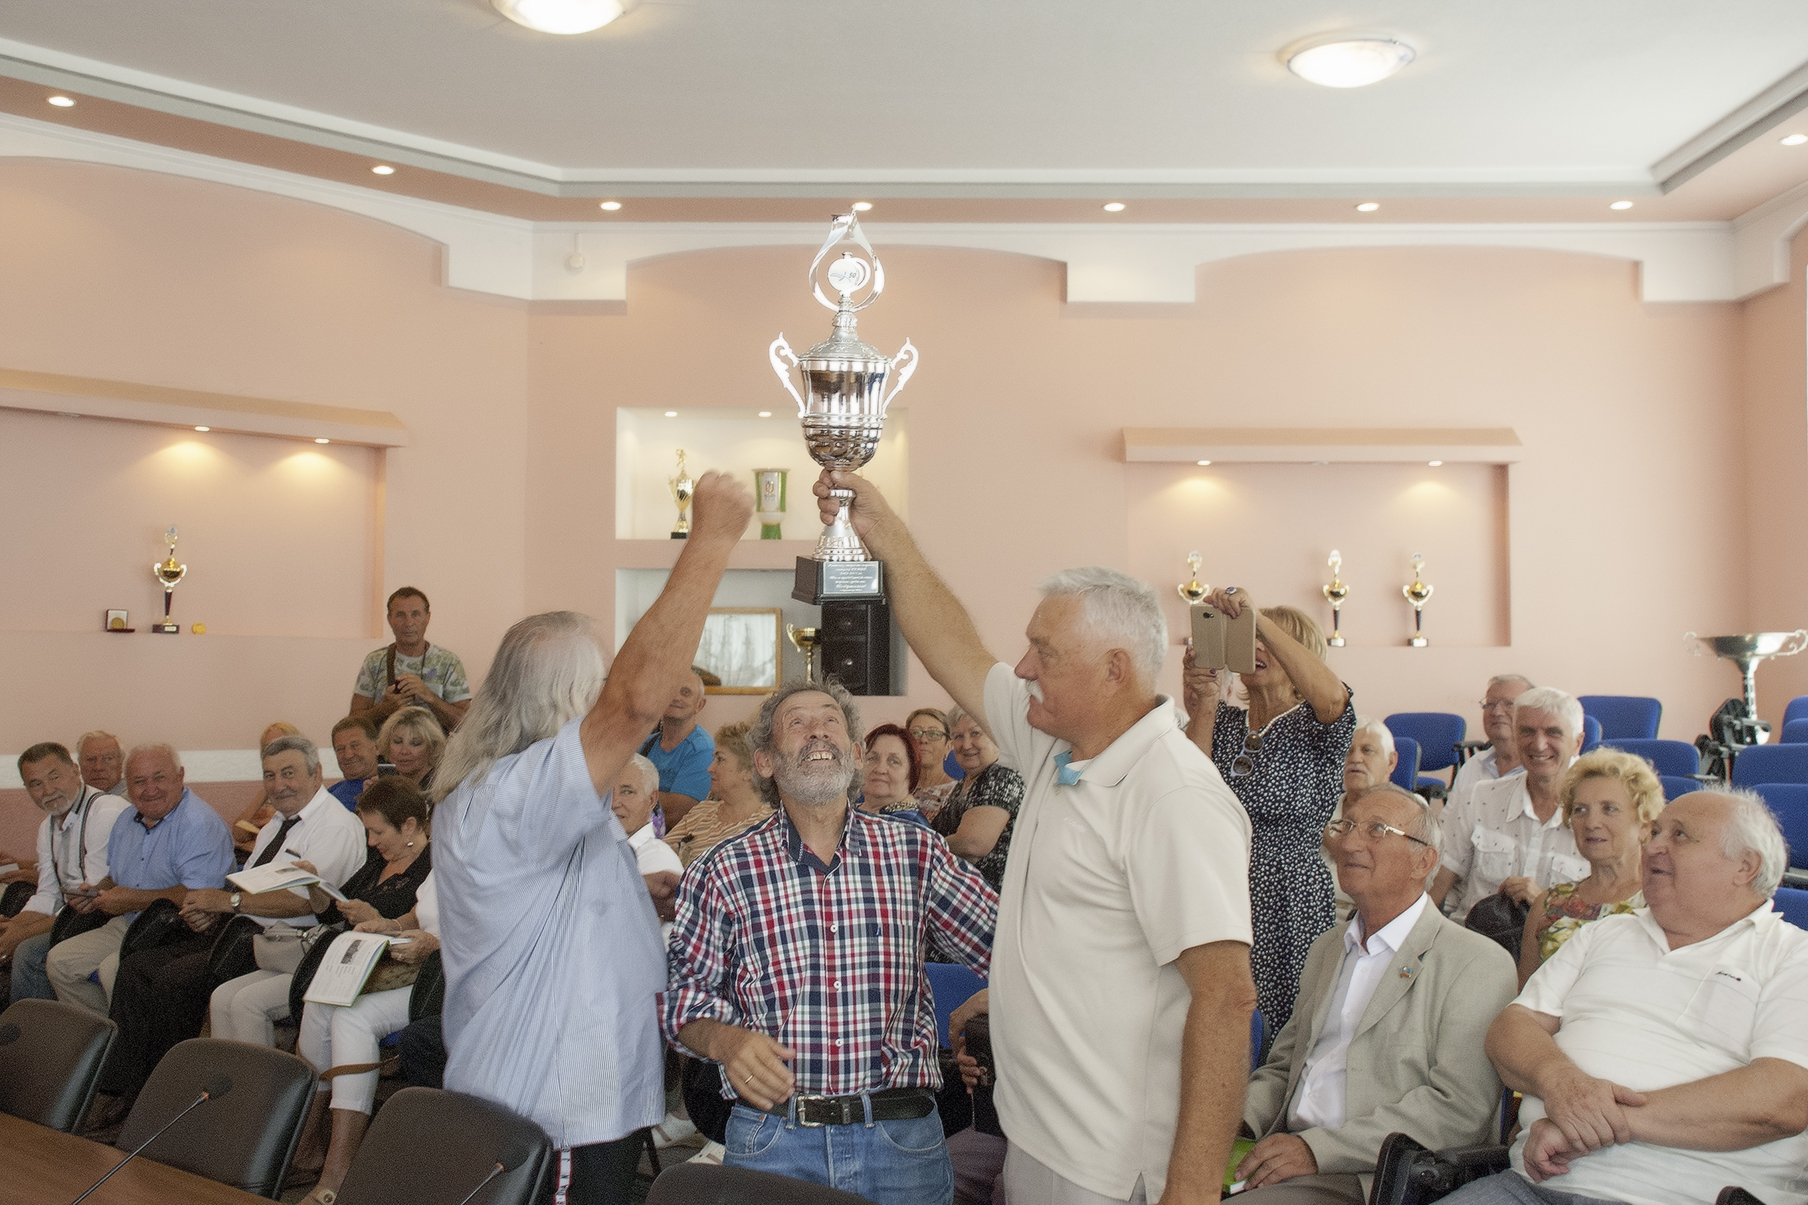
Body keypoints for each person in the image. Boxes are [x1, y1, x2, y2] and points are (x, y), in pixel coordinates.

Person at [817, 468, 1256, 1205]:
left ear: (1114, 668)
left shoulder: (1172, 793)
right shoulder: (1060, 741)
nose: (1021, 668)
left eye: (1043, 652)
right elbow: (953, 648)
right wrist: (886, 534)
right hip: (1039, 1139)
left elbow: (1226, 998)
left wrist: (1190, 1192)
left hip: (1110, 1169)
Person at [433, 470, 751, 1205]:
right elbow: (637, 701)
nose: (616, 694)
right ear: (567, 701)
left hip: (561, 1097)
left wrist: (636, 904)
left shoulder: (515, 793)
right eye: (599, 682)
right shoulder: (518, 789)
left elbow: (548, 906)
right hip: (555, 1107)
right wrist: (712, 538)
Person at [660, 680, 998, 1205]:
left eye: (831, 720)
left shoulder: (914, 852)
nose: (817, 729)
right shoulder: (724, 869)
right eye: (797, 722)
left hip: (901, 1138)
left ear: (856, 753)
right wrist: (726, 1042)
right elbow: (682, 997)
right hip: (775, 1139)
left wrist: (989, 1000)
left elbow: (1007, 946)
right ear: (767, 762)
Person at [1445, 791, 1808, 1205]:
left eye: (1681, 835)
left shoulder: (1794, 957)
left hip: (1686, 1195)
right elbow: (1512, 1029)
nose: (1652, 845)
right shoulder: (1603, 934)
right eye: (1654, 832)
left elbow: (1782, 1100)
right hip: (1533, 1186)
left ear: (1745, 866)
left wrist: (1586, 1123)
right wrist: (1562, 1083)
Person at [1237, 785, 1517, 1205]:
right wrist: (1233, 1120)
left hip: (1368, 1175)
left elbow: (1458, 1110)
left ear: (1424, 861)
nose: (1349, 842)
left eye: (1376, 830)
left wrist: (1319, 1150)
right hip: (1281, 1151)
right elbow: (1283, 1068)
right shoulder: (1328, 949)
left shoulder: (1477, 963)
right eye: (1345, 826)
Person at [100, 735, 366, 1106]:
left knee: (174, 981)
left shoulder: (334, 825)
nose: (278, 785)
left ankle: (174, 1097)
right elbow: (247, 886)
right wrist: (210, 910)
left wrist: (229, 902)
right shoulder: (277, 824)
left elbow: (300, 900)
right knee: (135, 966)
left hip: (295, 943)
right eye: (269, 776)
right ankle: (129, 1090)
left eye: (288, 773)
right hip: (248, 934)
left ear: (317, 772)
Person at [1182, 586, 1355, 1041]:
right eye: (1246, 637)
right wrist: (1201, 699)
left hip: (1286, 893)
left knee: (1284, 1023)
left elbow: (1335, 697)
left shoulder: (1317, 724)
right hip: (1219, 886)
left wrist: (1258, 618)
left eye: (1264, 639)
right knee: (1217, 1017)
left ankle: (1277, 1111)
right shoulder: (1225, 722)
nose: (1255, 647)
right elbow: (1189, 791)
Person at [210, 767, 427, 1049]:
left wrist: (377, 919)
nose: (371, 841)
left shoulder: (430, 867)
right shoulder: (378, 860)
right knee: (221, 996)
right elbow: (331, 912)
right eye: (368, 832)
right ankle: (232, 1090)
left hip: (373, 969)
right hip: (332, 956)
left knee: (247, 1003)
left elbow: (423, 927)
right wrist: (313, 883)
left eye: (377, 832)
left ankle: (266, 1089)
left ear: (408, 826)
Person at [44, 745, 235, 1017]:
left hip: (178, 931)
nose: (150, 789)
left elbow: (198, 896)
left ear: (180, 776)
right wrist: (97, 892)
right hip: (130, 924)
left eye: (159, 778)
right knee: (61, 962)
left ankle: (131, 1050)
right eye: (139, 781)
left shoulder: (198, 823)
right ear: (128, 785)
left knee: (115, 970)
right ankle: (102, 1041)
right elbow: (115, 877)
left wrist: (128, 900)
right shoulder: (125, 820)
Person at [1434, 688, 1591, 924]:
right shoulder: (1478, 799)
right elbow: (1436, 884)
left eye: (1553, 733)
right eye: (1527, 731)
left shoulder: (1596, 820)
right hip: (1473, 946)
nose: (1538, 745)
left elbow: (1602, 923)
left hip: (1553, 953)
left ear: (1577, 743)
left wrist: (1543, 904)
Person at [1515, 748, 1661, 988]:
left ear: (1644, 825)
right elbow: (1524, 996)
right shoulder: (1549, 904)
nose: (1591, 823)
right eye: (1580, 810)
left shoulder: (1662, 901)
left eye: (1609, 809)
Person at [2, 743, 131, 999]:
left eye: (54, 777)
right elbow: (47, 896)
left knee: (29, 953)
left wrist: (21, 934)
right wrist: (12, 926)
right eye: (36, 784)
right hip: (73, 915)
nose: (48, 790)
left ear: (74, 771)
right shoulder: (46, 827)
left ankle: (40, 1036)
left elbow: (90, 901)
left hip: (108, 915)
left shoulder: (105, 812)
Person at [351, 587, 471, 732]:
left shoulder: (449, 662)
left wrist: (430, 697)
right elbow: (353, 724)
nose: (408, 623)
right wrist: (384, 709)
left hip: (436, 754)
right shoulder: (375, 661)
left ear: (427, 618)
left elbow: (467, 724)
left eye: (415, 614)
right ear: (390, 620)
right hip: (385, 754)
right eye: (400, 615)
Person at [931, 705, 1023, 890]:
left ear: (995, 736)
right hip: (962, 898)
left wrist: (921, 847)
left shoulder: (1001, 775)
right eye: (958, 736)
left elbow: (973, 844)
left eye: (975, 733)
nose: (966, 745)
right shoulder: (966, 781)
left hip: (990, 903)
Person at [662, 721, 772, 869]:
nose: (710, 768)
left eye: (720, 759)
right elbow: (660, 854)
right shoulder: (701, 812)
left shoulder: (769, 823)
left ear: (748, 770)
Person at [1327, 718, 1399, 920]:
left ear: (1391, 761)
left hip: (1366, 920)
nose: (1355, 758)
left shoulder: (1407, 813)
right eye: (1349, 751)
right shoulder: (1324, 807)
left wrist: (1326, 836)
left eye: (1367, 750)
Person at [638, 669, 715, 828]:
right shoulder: (645, 744)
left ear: (699, 705)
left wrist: (635, 795)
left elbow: (677, 813)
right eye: (671, 690)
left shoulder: (702, 749)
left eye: (685, 692)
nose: (676, 697)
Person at [1449, 676, 1533, 812]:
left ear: (1532, 713)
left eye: (1509, 704)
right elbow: (1448, 823)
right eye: (1491, 704)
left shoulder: (1543, 769)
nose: (1497, 712)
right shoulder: (1473, 766)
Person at [231, 721, 299, 855]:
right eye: (268, 748)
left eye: (279, 746)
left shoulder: (301, 790)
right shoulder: (267, 789)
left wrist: (265, 824)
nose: (273, 753)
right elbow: (238, 833)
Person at [861, 722, 931, 824]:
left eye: (894, 761)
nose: (880, 769)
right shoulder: (848, 812)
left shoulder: (912, 826)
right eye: (872, 759)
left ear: (911, 772)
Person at [906, 706, 959, 816]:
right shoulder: (893, 787)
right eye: (916, 733)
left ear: (948, 746)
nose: (923, 740)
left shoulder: (957, 794)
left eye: (934, 734)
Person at [377, 706, 445, 791]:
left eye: (415, 743)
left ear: (432, 747)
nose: (404, 751)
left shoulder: (443, 788)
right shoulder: (385, 786)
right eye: (397, 742)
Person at [328, 715, 381, 809]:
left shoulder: (385, 790)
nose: (348, 755)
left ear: (377, 747)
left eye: (355, 746)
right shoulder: (331, 791)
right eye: (340, 749)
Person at [77, 731, 128, 798]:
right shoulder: (71, 800)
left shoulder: (136, 801)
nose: (98, 767)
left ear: (121, 763)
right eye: (90, 759)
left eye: (108, 759)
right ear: (79, 764)